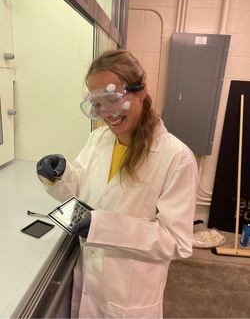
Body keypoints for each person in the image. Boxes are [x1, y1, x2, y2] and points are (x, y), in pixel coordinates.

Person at [36, 49, 198, 318]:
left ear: (141, 91)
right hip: (90, 284)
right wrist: (60, 175)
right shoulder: (99, 140)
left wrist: (102, 226)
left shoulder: (176, 158)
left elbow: (177, 242)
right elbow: (80, 192)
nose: (106, 113)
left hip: (129, 298)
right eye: (96, 104)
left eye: (111, 99)